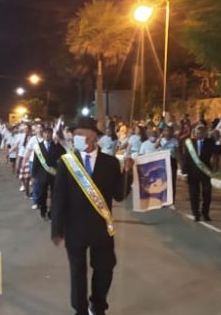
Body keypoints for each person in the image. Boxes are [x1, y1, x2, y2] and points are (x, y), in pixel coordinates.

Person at [51, 118, 133, 315]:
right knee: (78, 273)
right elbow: (58, 198)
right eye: (75, 134)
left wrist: (128, 174)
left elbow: (119, 196)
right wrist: (57, 229)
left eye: (82, 133)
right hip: (75, 227)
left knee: (105, 269)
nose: (77, 137)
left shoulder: (110, 163)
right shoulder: (66, 163)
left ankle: (97, 305)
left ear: (94, 136)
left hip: (102, 228)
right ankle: (79, 310)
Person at [182, 124, 216, 222]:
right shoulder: (189, 143)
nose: (200, 134)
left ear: (205, 133)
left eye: (202, 132)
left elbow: (218, 151)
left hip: (205, 172)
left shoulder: (210, 142)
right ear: (195, 133)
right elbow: (186, 158)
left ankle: (205, 213)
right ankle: (196, 213)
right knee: (194, 194)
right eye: (198, 132)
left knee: (207, 193)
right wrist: (184, 173)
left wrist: (218, 142)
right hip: (192, 173)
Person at [33, 127, 65, 220]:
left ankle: (51, 213)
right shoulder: (38, 146)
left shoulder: (56, 146)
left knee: (54, 195)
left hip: (54, 174)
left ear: (52, 134)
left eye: (49, 133)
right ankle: (43, 211)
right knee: (42, 194)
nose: (47, 135)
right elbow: (36, 161)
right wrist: (34, 175)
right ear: (43, 134)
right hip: (42, 174)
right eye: (45, 133)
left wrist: (60, 143)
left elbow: (64, 154)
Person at [159, 126, 179, 207]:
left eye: (169, 131)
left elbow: (177, 153)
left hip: (172, 161)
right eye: (165, 131)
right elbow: (155, 146)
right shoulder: (161, 140)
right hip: (162, 162)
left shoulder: (175, 141)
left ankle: (172, 201)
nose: (167, 133)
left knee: (172, 182)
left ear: (172, 132)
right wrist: (160, 138)